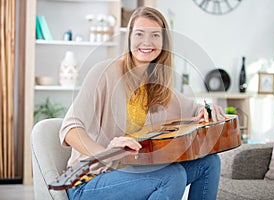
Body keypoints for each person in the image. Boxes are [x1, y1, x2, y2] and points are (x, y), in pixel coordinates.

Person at [60, 6, 226, 200]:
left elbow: (194, 107)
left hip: (132, 174)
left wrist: (208, 107)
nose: (147, 42)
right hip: (86, 181)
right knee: (172, 176)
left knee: (209, 163)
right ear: (129, 38)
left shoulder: (157, 87)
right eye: (139, 34)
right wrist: (105, 154)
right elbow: (69, 129)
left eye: (155, 35)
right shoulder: (103, 73)